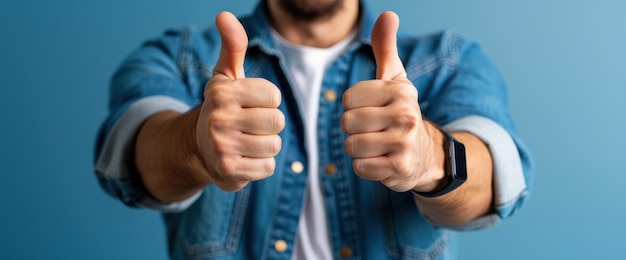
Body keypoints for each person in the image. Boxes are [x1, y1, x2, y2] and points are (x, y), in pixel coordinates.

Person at [94, 0, 533, 259]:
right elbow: (132, 158)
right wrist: (194, 141)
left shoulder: (447, 61)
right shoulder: (181, 58)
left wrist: (430, 157)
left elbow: (496, 180)